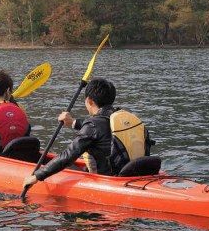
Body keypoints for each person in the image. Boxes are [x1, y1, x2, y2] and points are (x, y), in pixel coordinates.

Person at [21, 78, 152, 189]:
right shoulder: (120, 116)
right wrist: (73, 122)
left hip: (109, 180)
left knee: (70, 165)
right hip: (134, 172)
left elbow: (68, 155)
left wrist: (37, 176)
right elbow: (99, 129)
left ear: (89, 101)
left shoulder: (93, 124)